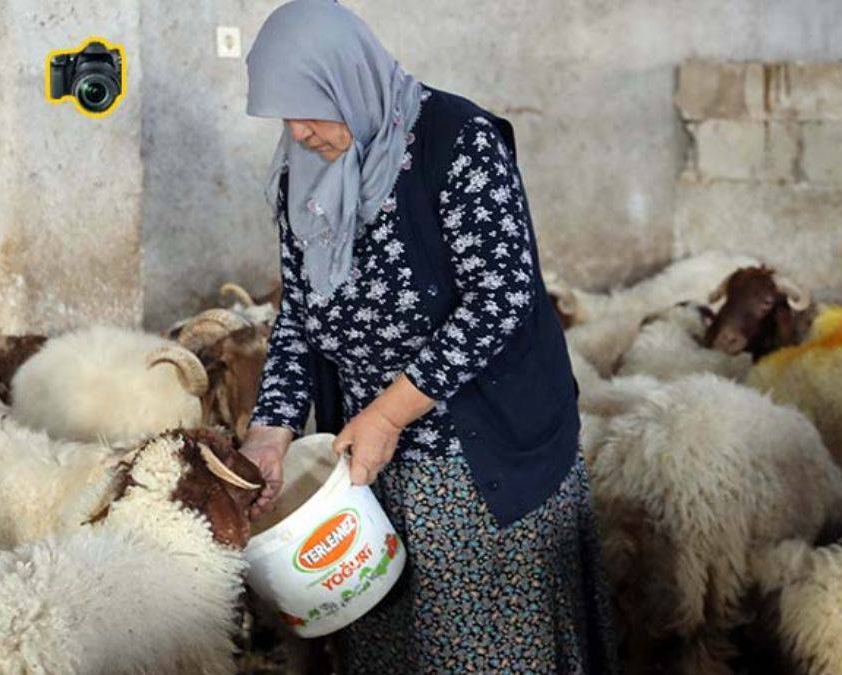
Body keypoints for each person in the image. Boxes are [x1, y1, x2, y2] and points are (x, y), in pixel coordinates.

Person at [240, 1, 617, 672]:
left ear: (348, 79)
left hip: (478, 461)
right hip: (366, 464)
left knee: (484, 650)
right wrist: (270, 430)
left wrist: (389, 411)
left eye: (311, 107)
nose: (298, 130)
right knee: (391, 643)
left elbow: (502, 299)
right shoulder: (302, 172)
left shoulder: (457, 140)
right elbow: (300, 313)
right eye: (284, 115)